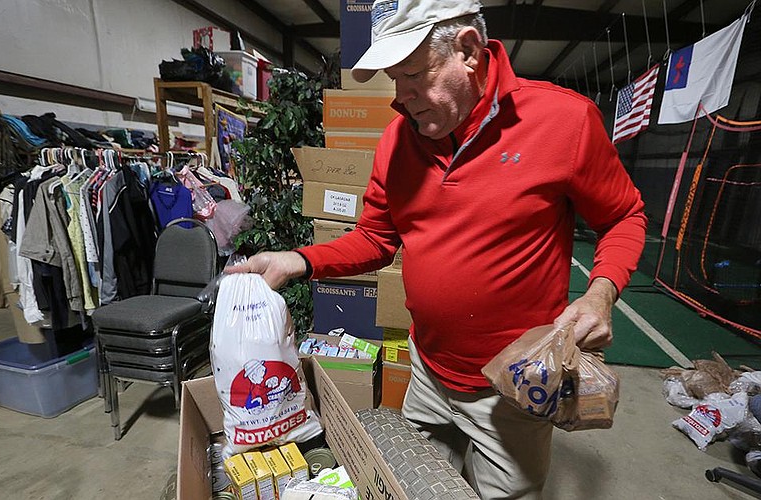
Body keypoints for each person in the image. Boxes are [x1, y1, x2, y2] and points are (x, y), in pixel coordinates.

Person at [225, 0, 647, 497]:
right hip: (428, 372)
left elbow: (624, 215)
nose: (399, 99)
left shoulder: (564, 122)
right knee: (410, 486)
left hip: (513, 388)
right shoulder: (397, 143)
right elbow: (375, 239)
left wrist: (601, 292)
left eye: (411, 76)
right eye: (392, 80)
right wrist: (299, 260)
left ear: (467, 49)